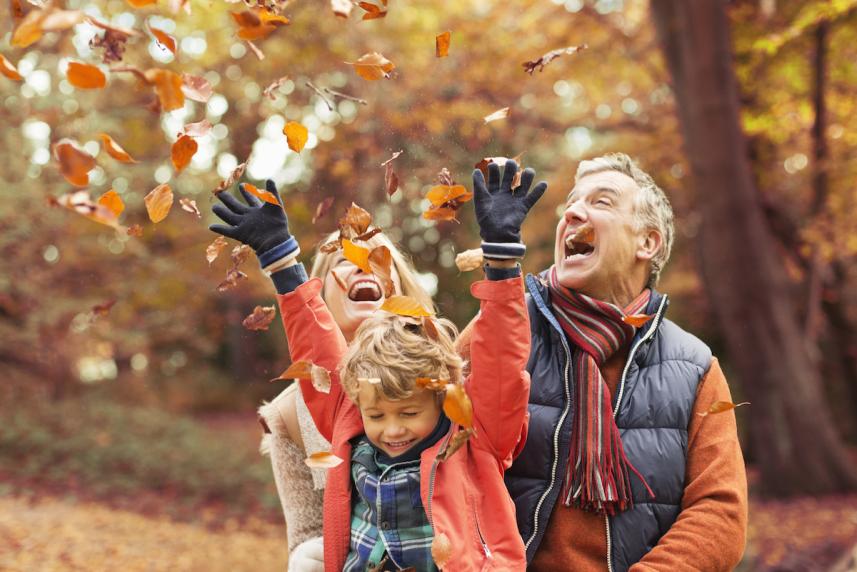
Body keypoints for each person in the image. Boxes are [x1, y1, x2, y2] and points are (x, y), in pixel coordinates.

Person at [209, 161, 546, 570]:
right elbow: (319, 352)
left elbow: (500, 362)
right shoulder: (351, 414)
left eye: (408, 412)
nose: (392, 429)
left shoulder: (472, 427)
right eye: (378, 415)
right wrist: (280, 260)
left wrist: (503, 261)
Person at [501, 153, 748, 570]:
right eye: (572, 202)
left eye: (601, 202)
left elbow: (719, 512)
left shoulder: (695, 367)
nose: (573, 211)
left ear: (647, 243)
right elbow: (422, 429)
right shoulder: (506, 327)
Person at [211, 185, 433, 571]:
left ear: (401, 290)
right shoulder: (291, 417)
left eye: (377, 259)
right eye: (345, 260)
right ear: (322, 291)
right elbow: (306, 533)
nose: (363, 263)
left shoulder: (443, 377)